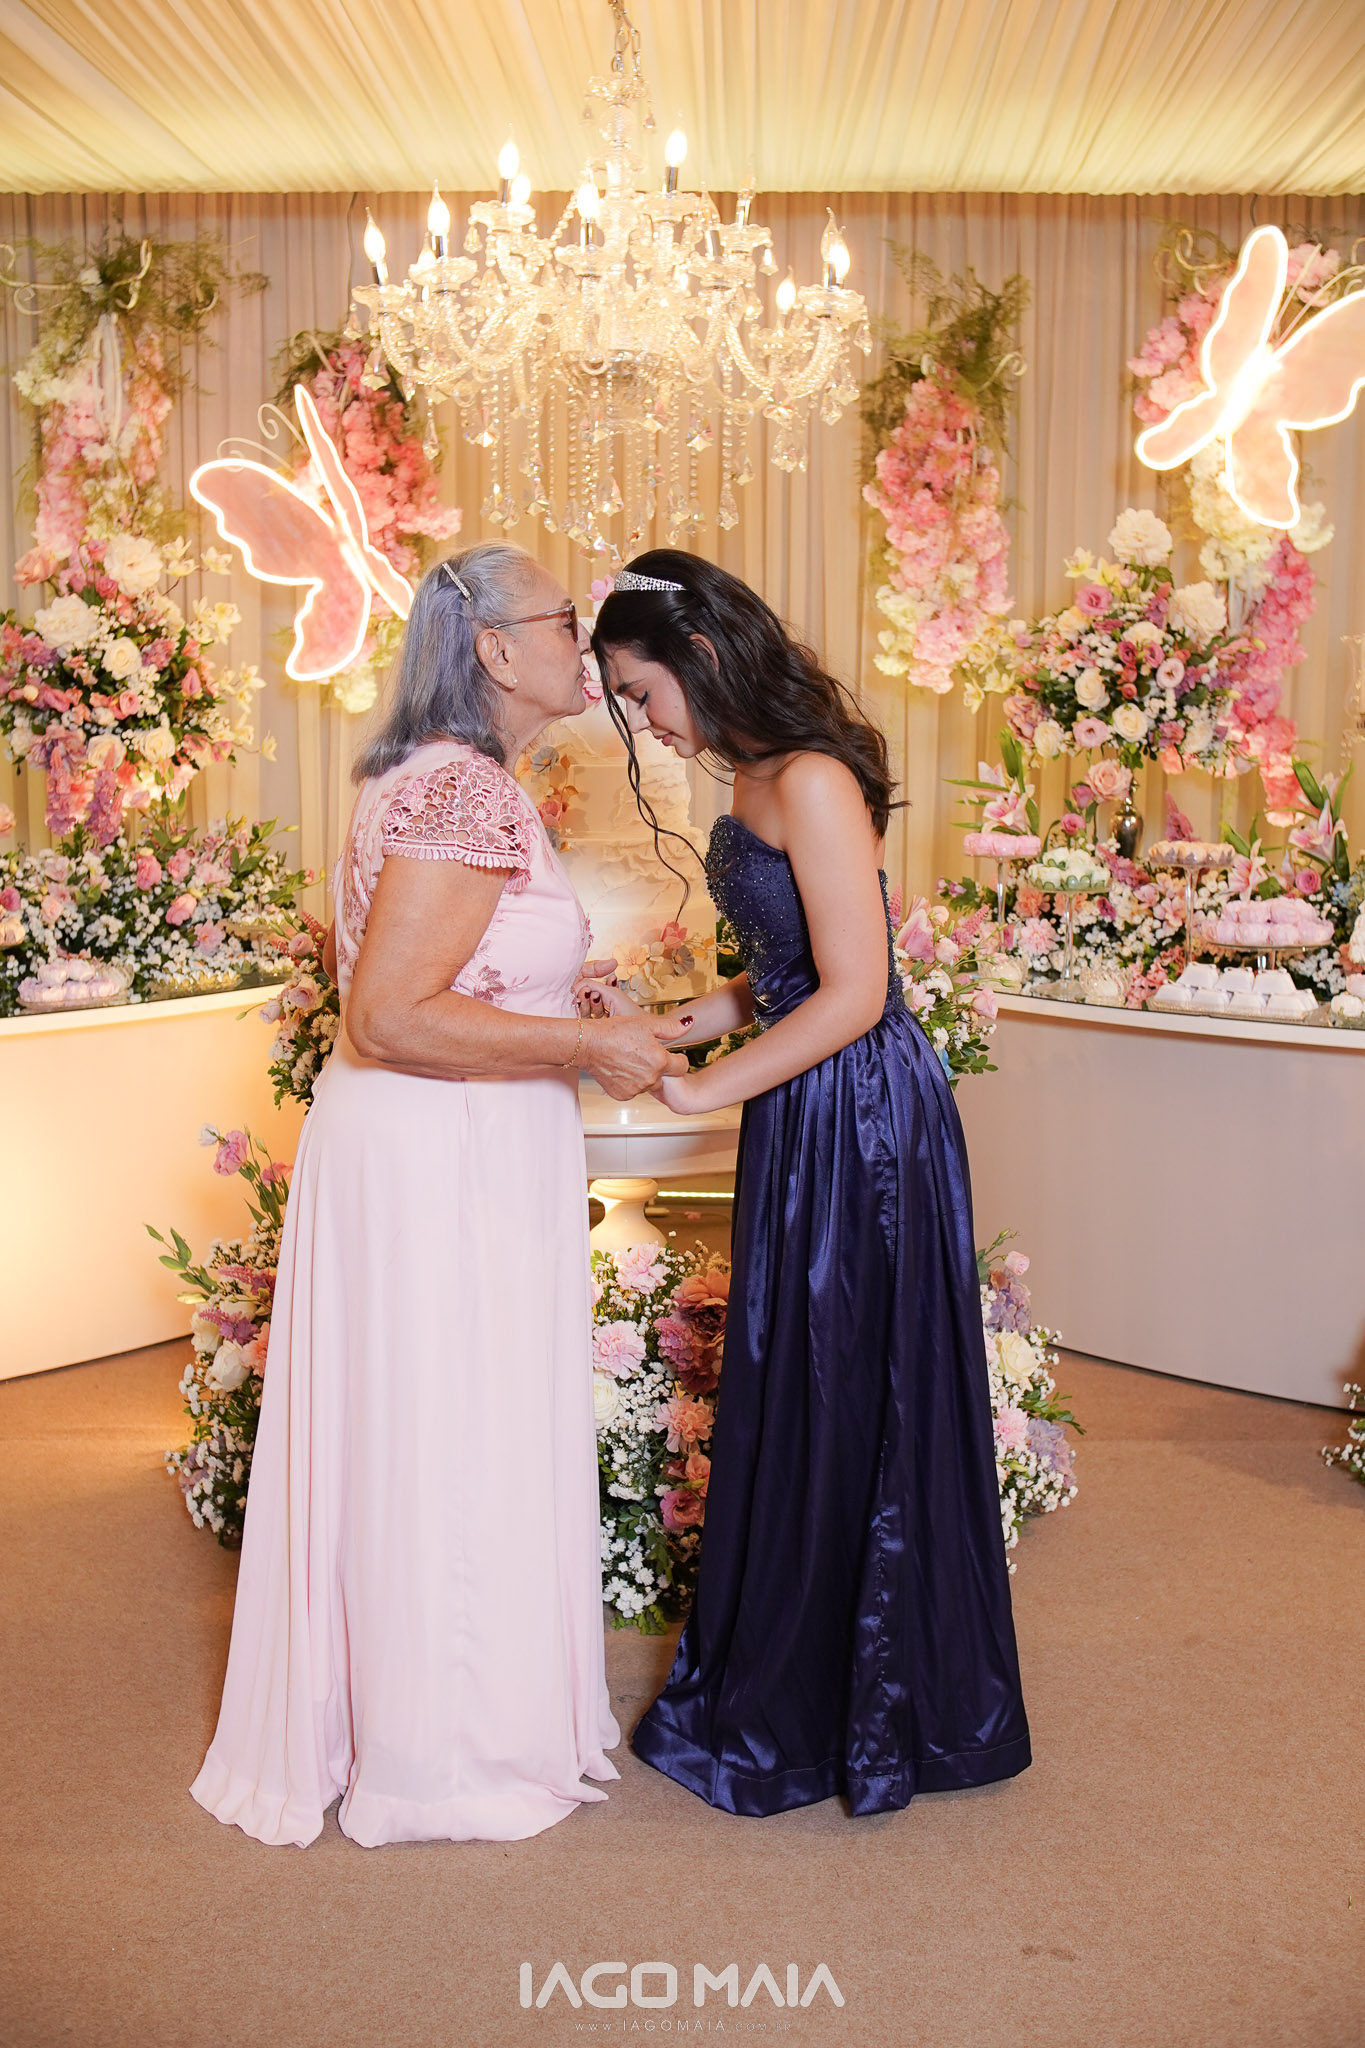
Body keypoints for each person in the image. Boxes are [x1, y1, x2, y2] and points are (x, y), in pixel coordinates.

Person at [190, 543, 685, 1848]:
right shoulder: (465, 789)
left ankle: (409, 1716)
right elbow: (390, 1015)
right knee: (450, 1429)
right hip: (443, 1148)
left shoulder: (435, 777)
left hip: (428, 1137)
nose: (587, 644)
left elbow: (443, 973)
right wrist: (584, 1044)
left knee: (422, 1424)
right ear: (494, 650)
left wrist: (562, 996)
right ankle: (448, 1752)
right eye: (565, 619)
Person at [580, 552, 1031, 1817]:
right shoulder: (757, 771)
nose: (642, 721)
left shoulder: (815, 777)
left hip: (864, 1118)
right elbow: (786, 970)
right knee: (801, 1379)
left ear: (702, 655)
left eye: (641, 690)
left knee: (848, 1383)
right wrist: (684, 1019)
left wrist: (700, 1092)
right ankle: (800, 1677)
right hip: (809, 1100)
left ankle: (872, 1705)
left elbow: (859, 992)